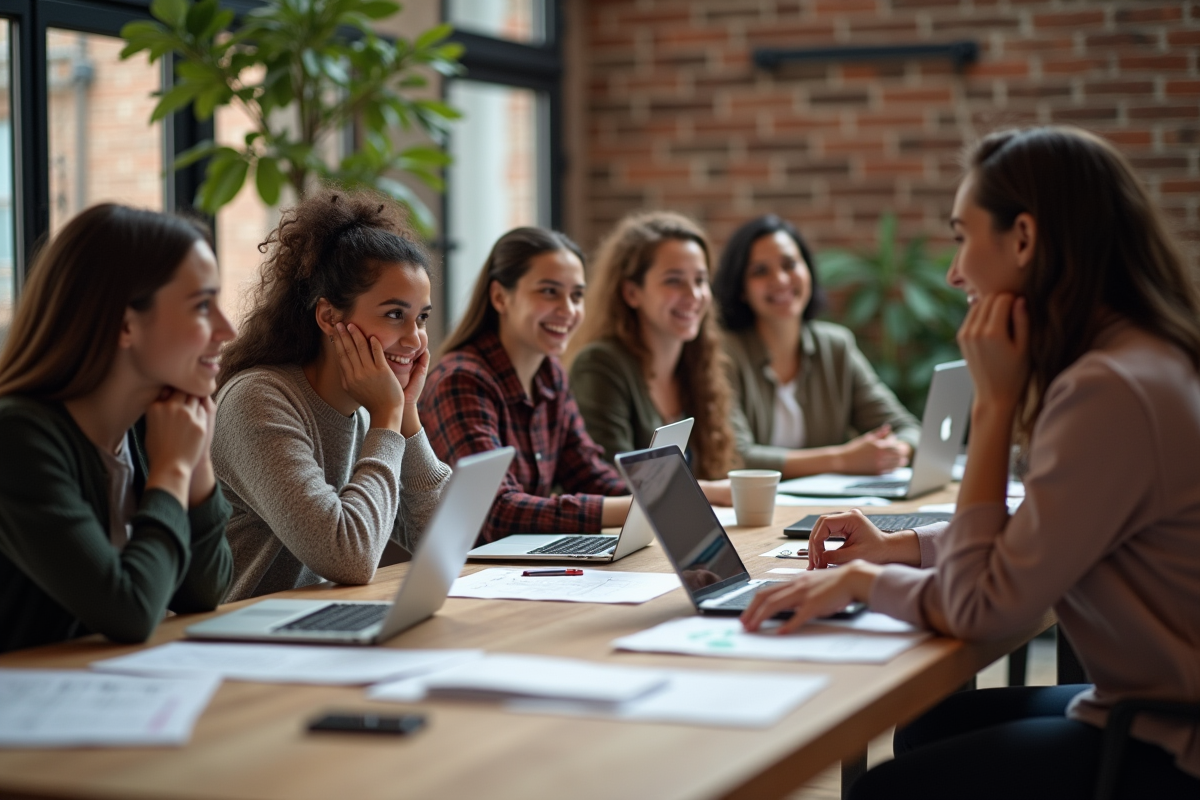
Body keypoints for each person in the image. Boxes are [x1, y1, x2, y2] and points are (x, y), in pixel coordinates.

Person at [742, 127, 1200, 798]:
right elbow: (1037, 530)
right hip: (1156, 705)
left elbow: (983, 607)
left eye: (962, 236)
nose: (955, 272)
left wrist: (866, 582)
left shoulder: (1108, 390)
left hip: (1173, 739)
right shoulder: (1140, 358)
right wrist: (902, 547)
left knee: (884, 790)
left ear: (1023, 239)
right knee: (929, 728)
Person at [0, 204, 236, 653]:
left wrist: (196, 463)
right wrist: (171, 472)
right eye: (203, 305)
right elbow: (130, 610)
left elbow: (205, 592)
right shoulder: (18, 438)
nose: (227, 329)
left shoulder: (152, 424)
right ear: (125, 324)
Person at [213, 189, 451, 601]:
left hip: (313, 629)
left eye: (422, 318)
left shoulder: (364, 413)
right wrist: (388, 418)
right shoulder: (257, 401)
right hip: (240, 641)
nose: (414, 340)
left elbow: (445, 542)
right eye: (395, 315)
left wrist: (407, 414)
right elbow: (349, 557)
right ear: (328, 316)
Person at [423, 227, 630, 543]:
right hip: (470, 579)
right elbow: (497, 511)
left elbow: (587, 472)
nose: (569, 309)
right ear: (500, 297)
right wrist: (630, 509)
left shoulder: (551, 375)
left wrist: (652, 501)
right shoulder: (461, 380)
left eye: (577, 295)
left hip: (517, 570)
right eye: (549, 291)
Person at [712, 215, 920, 478]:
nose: (781, 279)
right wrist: (841, 460)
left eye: (790, 264)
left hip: (830, 509)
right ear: (741, 288)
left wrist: (894, 450)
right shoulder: (724, 353)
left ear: (808, 270)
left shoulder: (835, 347)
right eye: (760, 271)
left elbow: (906, 427)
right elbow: (737, 456)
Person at [567, 211, 735, 505]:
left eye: (700, 279)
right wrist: (711, 492)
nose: (693, 294)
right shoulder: (600, 365)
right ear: (632, 293)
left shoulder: (699, 364)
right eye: (674, 281)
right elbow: (610, 482)